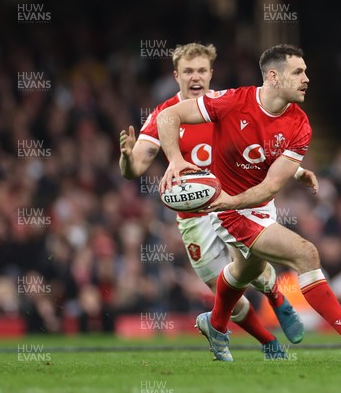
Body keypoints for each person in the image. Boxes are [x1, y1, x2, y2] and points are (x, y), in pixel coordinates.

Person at [157, 44, 341, 362]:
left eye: (306, 71)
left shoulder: (300, 124)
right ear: (274, 77)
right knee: (306, 254)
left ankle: (216, 323)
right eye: (298, 72)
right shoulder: (233, 101)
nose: (307, 78)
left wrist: (295, 173)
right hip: (232, 212)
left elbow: (270, 186)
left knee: (243, 271)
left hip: (254, 204)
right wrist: (176, 160)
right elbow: (169, 115)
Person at [119, 43, 315, 359]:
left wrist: (299, 172)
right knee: (223, 292)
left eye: (201, 70)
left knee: (250, 268)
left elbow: (263, 148)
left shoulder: (226, 103)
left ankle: (277, 298)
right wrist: (127, 159)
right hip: (194, 217)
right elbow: (135, 168)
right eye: (188, 72)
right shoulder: (163, 115)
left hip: (233, 202)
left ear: (210, 73)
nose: (195, 77)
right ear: (176, 75)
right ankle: (269, 342)